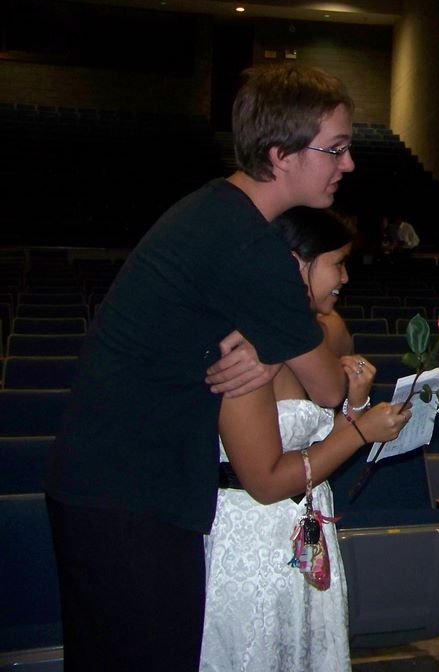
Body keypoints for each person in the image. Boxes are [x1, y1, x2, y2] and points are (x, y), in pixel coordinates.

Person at [44, 64, 380, 671]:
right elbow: (331, 387)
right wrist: (275, 342)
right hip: (130, 494)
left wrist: (268, 343)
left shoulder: (216, 212)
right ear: (281, 155)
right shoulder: (252, 246)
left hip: (110, 480)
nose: (348, 163)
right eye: (335, 149)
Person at [201, 207, 408, 672]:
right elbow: (266, 482)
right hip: (252, 536)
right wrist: (361, 430)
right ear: (296, 263)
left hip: (307, 524)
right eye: (337, 262)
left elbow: (322, 437)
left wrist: (356, 404)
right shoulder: (243, 353)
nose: (346, 277)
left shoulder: (320, 333)